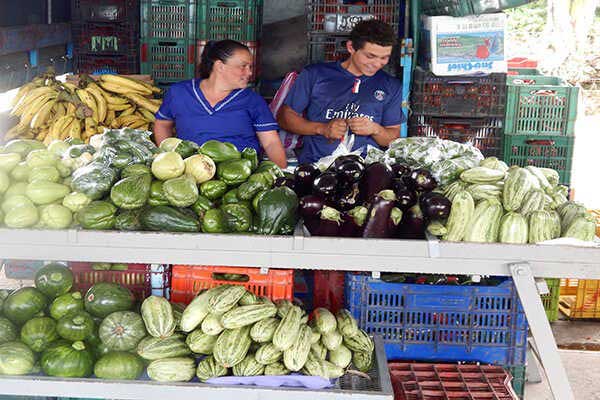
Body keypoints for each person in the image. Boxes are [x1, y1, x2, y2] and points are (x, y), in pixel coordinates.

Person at [277, 19, 404, 164]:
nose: (376, 64)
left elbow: (393, 138)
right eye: (370, 56)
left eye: (384, 58)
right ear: (351, 47)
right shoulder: (315, 74)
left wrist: (375, 129)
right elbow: (284, 118)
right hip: (315, 165)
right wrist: (322, 128)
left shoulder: (391, 86)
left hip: (367, 170)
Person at [153, 40, 287, 168]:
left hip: (241, 174)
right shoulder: (180, 93)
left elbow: (271, 142)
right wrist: (168, 157)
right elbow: (162, 124)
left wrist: (281, 173)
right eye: (243, 66)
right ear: (220, 66)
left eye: (250, 67)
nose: (249, 73)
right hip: (192, 172)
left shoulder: (252, 100)